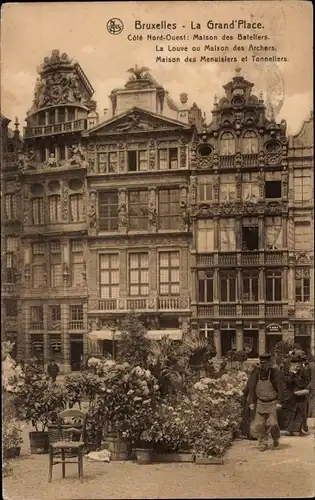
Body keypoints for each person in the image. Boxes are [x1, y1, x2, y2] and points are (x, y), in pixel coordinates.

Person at [247, 353, 283, 451]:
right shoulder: (256, 373)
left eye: (265, 363)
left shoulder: (275, 373)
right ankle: (263, 442)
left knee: (272, 424)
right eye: (261, 363)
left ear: (270, 362)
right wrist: (251, 402)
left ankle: (275, 438)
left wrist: (279, 401)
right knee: (259, 424)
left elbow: (280, 388)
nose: (263, 365)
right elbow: (251, 387)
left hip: (272, 402)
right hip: (260, 402)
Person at [278, 353, 311, 435]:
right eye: (295, 363)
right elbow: (288, 382)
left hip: (300, 393)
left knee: (301, 412)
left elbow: (303, 383)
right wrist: (293, 373)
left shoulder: (303, 371)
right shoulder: (289, 372)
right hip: (292, 394)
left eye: (298, 363)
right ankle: (291, 430)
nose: (297, 365)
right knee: (293, 413)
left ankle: (300, 429)